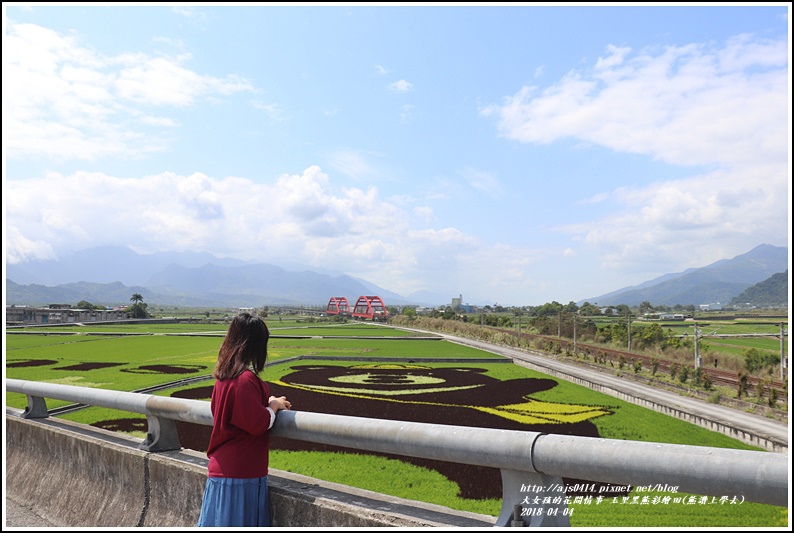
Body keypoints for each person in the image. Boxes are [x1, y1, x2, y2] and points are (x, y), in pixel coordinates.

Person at [196, 312, 291, 527]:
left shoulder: (224, 378)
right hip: (241, 474)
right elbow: (258, 423)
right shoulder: (245, 380)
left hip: (223, 469)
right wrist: (273, 406)